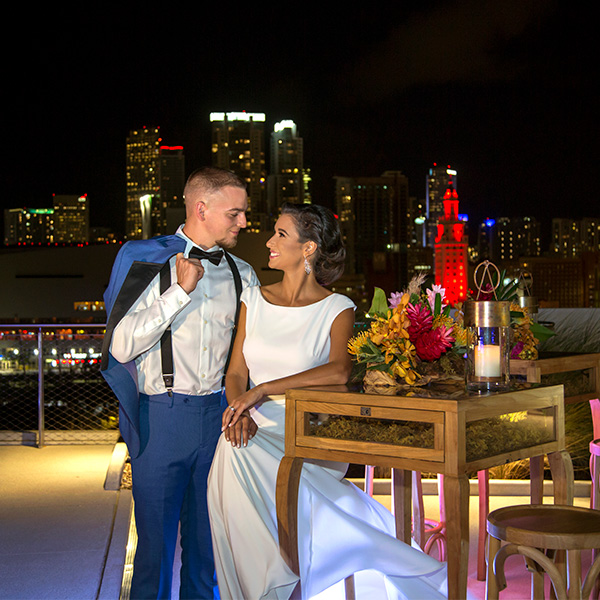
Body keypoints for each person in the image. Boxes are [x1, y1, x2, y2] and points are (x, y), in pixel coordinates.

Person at [207, 202, 447, 600]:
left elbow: (338, 372)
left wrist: (262, 390)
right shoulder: (253, 297)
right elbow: (235, 374)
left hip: (309, 430)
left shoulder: (338, 308)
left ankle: (273, 589)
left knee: (235, 457)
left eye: (281, 235)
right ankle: (269, 590)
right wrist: (238, 410)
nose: (269, 241)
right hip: (253, 422)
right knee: (232, 450)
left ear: (308, 249)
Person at [100, 167, 259, 600]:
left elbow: (252, 353)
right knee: (154, 550)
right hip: (162, 419)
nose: (243, 222)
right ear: (201, 208)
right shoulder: (145, 258)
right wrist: (178, 292)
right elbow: (120, 346)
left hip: (218, 420)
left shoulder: (243, 273)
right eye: (236, 213)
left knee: (208, 547)